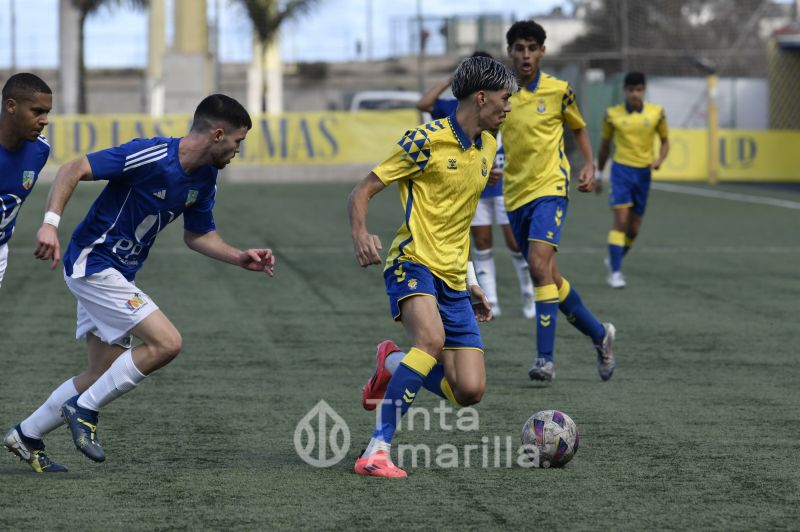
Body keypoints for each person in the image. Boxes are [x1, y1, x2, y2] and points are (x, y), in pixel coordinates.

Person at [4, 94, 275, 473]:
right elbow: (72, 168)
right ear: (217, 134)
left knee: (100, 374)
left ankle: (27, 434)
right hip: (93, 263)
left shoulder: (206, 177)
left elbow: (197, 235)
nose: (237, 151)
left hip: (119, 272)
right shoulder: (151, 155)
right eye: (237, 142)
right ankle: (85, 409)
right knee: (167, 343)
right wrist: (50, 223)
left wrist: (238, 256)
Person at [348, 56, 517, 478]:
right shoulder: (424, 140)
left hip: (453, 276)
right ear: (481, 98)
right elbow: (362, 191)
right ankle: (377, 450)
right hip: (412, 262)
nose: (508, 107)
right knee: (430, 341)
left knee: (469, 391)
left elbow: (460, 219)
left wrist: (472, 280)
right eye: (504, 98)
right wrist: (361, 233)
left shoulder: (491, 147)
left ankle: (390, 363)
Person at [500, 20, 616, 382]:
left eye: (532, 48)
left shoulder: (559, 91)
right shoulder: (500, 94)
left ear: (542, 52)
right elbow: (487, 135)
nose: (526, 55)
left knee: (537, 265)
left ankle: (545, 360)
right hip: (515, 194)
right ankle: (600, 335)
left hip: (551, 189)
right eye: (519, 48)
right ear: (511, 52)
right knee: (550, 276)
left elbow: (578, 127)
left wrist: (589, 165)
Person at [416, 52, 535, 319]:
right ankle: (490, 297)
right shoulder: (454, 108)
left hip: (506, 185)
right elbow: (423, 103)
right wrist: (453, 78)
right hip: (475, 188)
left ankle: (529, 295)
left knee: (515, 242)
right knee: (482, 243)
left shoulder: (504, 103)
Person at [596, 72, 669, 288]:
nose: (635, 94)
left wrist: (659, 159)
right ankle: (615, 273)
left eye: (639, 90)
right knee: (620, 221)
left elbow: (665, 142)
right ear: (625, 91)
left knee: (634, 229)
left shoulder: (657, 113)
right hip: (621, 172)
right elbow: (604, 146)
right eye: (631, 90)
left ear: (644, 90)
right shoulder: (612, 115)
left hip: (643, 174)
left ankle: (613, 258)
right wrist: (599, 174)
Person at [0, 73, 52, 292]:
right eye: (37, 111)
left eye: (47, 112)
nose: (45, 120)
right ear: (11, 106)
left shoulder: (41, 150)